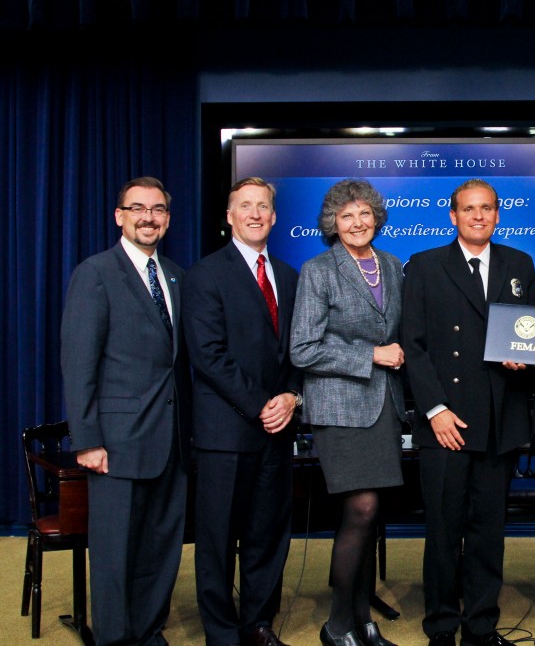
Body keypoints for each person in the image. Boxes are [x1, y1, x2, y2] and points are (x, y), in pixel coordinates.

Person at [401, 178, 535, 646]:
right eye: (469, 209)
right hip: (445, 422)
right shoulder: (424, 266)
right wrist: (435, 409)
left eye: (487, 209)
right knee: (443, 532)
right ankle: (441, 625)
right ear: (453, 216)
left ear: (498, 215)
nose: (478, 216)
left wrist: (528, 358)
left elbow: (532, 334)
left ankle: (481, 625)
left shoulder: (519, 264)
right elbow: (413, 347)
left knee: (488, 532)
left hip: (499, 420)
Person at [60, 176, 193, 646]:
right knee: (115, 553)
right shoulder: (95, 273)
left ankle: (149, 631)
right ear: (119, 216)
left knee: (160, 548)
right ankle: (115, 638)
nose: (148, 217)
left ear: (168, 219)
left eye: (157, 209)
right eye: (137, 208)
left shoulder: (175, 275)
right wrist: (87, 440)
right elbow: (79, 363)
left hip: (171, 440)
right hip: (115, 442)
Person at [182, 177, 302, 646]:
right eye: (245, 206)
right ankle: (222, 632)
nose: (255, 214)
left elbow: (298, 353)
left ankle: (257, 622)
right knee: (217, 540)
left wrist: (291, 396)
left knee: (266, 535)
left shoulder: (290, 277)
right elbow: (208, 355)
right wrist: (260, 405)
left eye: (264, 207)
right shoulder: (205, 274)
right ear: (229, 217)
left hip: (278, 430)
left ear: (273, 217)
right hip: (225, 432)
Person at [290, 179, 406, 646]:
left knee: (371, 514)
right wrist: (370, 356)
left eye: (364, 214)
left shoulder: (394, 266)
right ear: (332, 224)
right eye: (346, 216)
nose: (357, 223)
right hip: (338, 406)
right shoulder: (318, 270)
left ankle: (364, 621)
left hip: (384, 407)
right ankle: (338, 624)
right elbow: (303, 349)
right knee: (361, 507)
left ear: (376, 218)